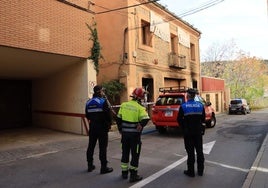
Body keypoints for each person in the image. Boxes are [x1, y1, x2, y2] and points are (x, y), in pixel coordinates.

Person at [116, 87, 150, 183]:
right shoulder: (140, 108)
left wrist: (120, 129)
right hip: (134, 136)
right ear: (140, 97)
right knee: (135, 155)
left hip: (125, 135)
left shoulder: (124, 105)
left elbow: (118, 119)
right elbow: (146, 118)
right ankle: (133, 175)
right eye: (143, 96)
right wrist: (141, 125)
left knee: (125, 153)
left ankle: (124, 173)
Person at [177, 88, 205, 177]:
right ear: (194, 96)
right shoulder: (200, 105)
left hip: (188, 133)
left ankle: (191, 172)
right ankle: (200, 171)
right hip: (198, 132)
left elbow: (179, 119)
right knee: (200, 151)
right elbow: (203, 119)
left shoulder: (183, 106)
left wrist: (184, 128)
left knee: (190, 152)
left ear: (188, 95)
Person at [85, 85, 113, 174]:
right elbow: (108, 116)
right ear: (99, 92)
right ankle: (103, 167)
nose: (103, 93)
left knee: (91, 146)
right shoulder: (103, 102)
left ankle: (90, 165)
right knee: (102, 148)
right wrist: (109, 124)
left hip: (92, 127)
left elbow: (87, 115)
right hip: (102, 128)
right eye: (102, 91)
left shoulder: (88, 102)